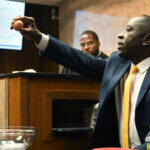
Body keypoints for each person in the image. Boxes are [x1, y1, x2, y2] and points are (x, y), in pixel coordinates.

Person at [11, 15, 150, 150]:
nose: (120, 35)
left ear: (147, 39)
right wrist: (38, 37)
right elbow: (77, 58)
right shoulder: (117, 63)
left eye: (129, 30)